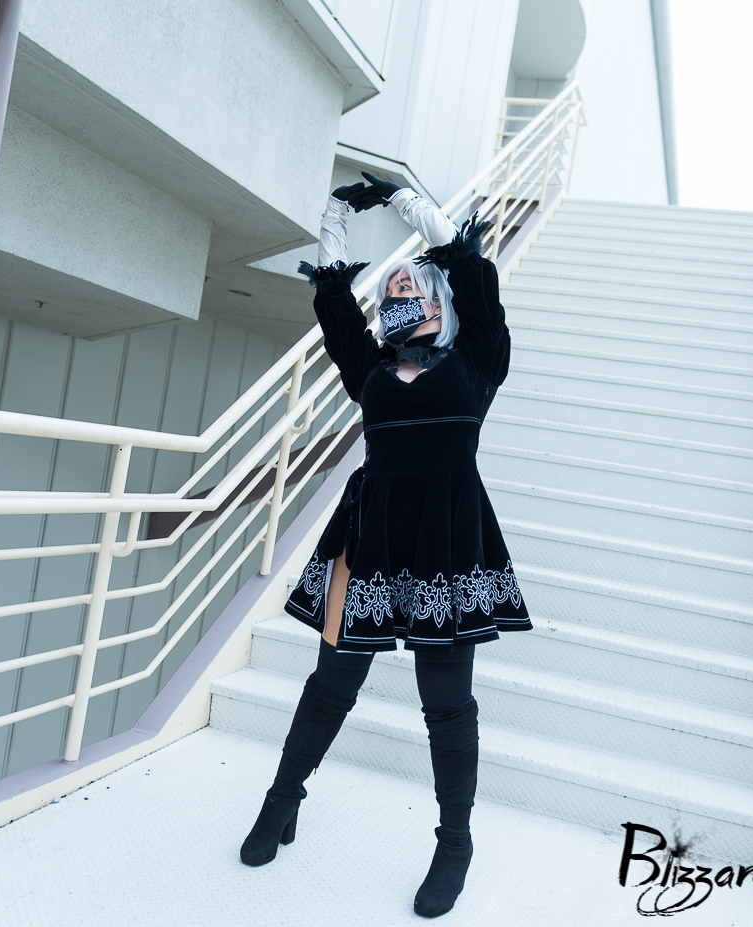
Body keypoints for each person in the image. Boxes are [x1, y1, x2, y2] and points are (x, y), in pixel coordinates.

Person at [239, 172, 531, 918]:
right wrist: (334, 220)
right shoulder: (369, 367)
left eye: (412, 283)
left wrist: (409, 205)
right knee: (332, 679)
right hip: (368, 533)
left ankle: (454, 841)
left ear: (438, 299)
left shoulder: (477, 361)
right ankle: (282, 799)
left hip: (447, 542)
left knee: (446, 702)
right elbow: (334, 302)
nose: (398, 288)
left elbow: (470, 269)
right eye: (391, 285)